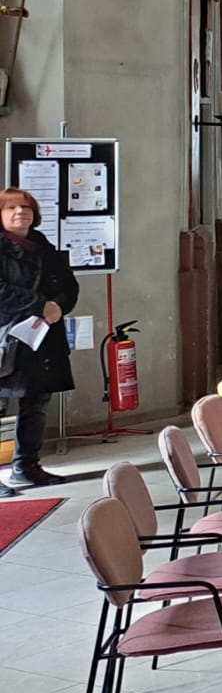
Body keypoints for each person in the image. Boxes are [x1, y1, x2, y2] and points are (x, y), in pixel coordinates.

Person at [0, 190, 78, 491]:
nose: (21, 212)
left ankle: (27, 466)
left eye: (26, 207)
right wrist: (38, 305)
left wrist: (58, 306)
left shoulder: (43, 247)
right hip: (6, 338)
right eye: (12, 207)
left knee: (36, 404)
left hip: (41, 338)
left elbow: (69, 285)